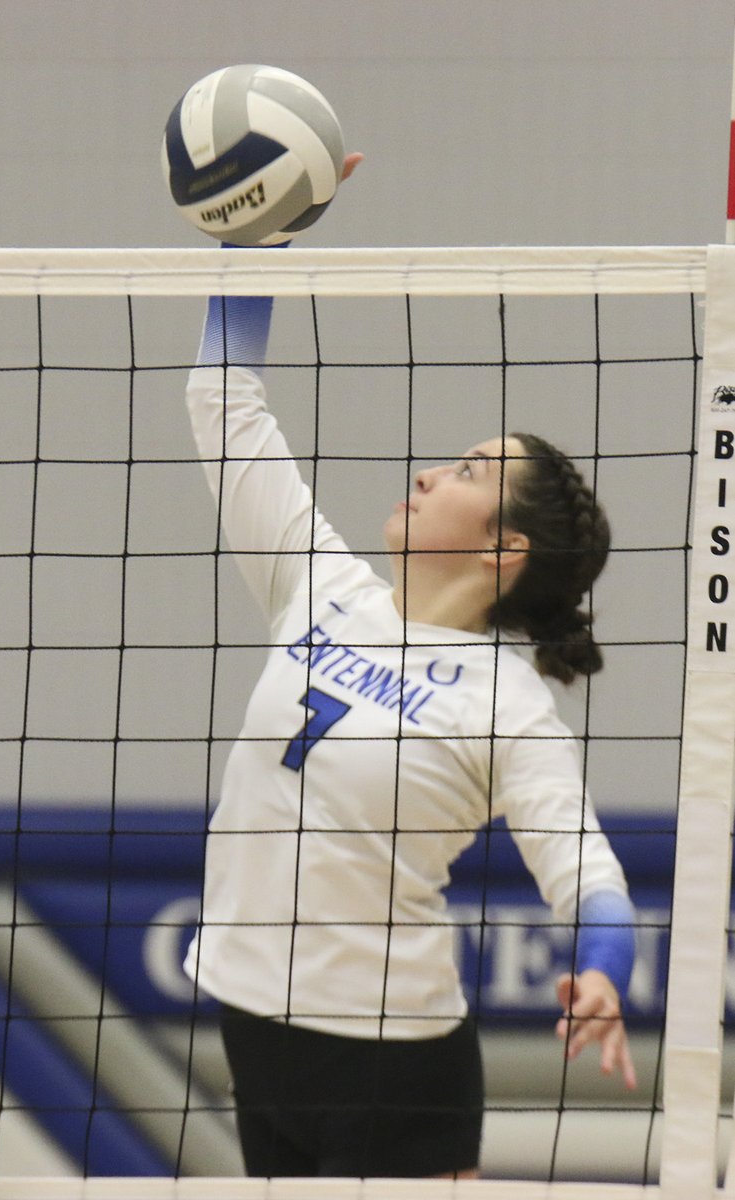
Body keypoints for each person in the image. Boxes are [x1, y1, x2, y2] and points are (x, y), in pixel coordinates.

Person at [182, 160, 636, 1180]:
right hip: (250, 1014)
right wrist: (257, 235)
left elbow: (589, 880)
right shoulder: (320, 586)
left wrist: (603, 971)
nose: (430, 472)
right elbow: (223, 399)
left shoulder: (503, 703)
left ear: (500, 552)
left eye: (469, 474)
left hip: (389, 1060)